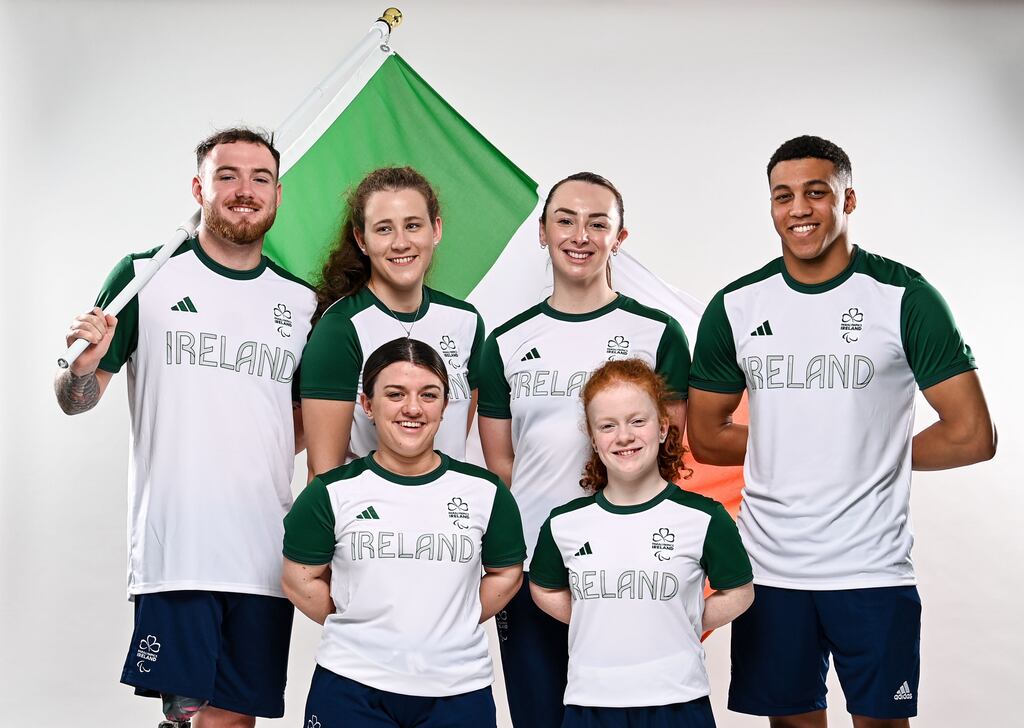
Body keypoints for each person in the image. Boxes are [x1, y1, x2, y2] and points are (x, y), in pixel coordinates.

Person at [686, 135, 997, 728]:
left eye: (816, 192)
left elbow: (971, 435)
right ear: (771, 206)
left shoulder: (904, 297)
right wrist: (804, 440)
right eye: (783, 196)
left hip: (871, 570)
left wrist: (866, 453)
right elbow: (707, 438)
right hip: (771, 570)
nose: (798, 208)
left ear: (847, 199)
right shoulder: (737, 306)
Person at [54, 128, 316, 727]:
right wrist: (84, 366)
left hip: (261, 551)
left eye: (260, 179)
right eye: (227, 176)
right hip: (179, 546)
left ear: (278, 195)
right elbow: (75, 398)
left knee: (234, 719)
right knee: (184, 715)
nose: (243, 190)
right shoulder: (148, 275)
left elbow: (293, 423)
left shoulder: (299, 302)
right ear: (199, 187)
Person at [478, 172, 692, 728]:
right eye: (565, 220)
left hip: (629, 567)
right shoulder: (505, 342)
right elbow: (502, 465)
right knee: (541, 716)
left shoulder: (658, 334)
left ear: (620, 237)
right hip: (531, 563)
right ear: (542, 233)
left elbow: (669, 453)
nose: (581, 235)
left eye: (599, 223)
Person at [282, 337, 526, 728]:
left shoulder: (486, 492)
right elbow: (299, 579)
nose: (412, 408)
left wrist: (453, 618)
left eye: (429, 395)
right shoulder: (331, 492)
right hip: (351, 686)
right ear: (367, 404)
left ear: (445, 406)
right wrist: (358, 620)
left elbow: (506, 573)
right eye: (395, 394)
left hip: (459, 689)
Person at [530, 359, 753, 728]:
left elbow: (740, 592)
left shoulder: (703, 518)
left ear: (663, 427)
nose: (624, 436)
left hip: (677, 700)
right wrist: (598, 614)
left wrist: (684, 617)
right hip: (591, 703)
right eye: (608, 426)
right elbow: (543, 588)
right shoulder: (564, 524)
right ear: (593, 437)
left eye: (638, 421)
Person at [300, 166, 485, 478]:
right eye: (384, 229)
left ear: (435, 229)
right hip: (370, 521)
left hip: (446, 521)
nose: (401, 243)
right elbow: (323, 474)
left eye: (412, 225)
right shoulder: (341, 327)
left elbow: (448, 441)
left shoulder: (466, 321)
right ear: (362, 239)